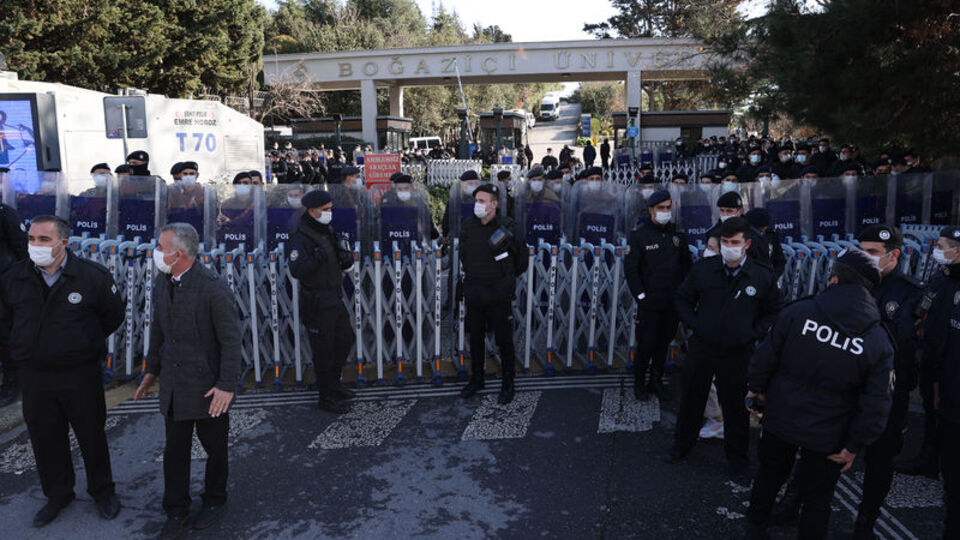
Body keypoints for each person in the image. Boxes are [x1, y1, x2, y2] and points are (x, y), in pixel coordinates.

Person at [744, 248, 894, 540]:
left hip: (781, 417)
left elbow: (765, 357)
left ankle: (754, 531)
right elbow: (876, 403)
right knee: (817, 501)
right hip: (830, 435)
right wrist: (854, 445)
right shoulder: (877, 340)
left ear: (834, 280)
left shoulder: (799, 312)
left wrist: (757, 390)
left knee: (768, 478)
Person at [0, 215, 123, 526]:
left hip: (79, 374)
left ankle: (102, 490)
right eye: (31, 239)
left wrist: (82, 344)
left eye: (44, 240)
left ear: (63, 243)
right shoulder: (14, 278)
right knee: (45, 437)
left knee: (91, 434)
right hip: (35, 374)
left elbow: (112, 315)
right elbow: (5, 323)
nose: (36, 246)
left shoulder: (90, 276)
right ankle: (58, 494)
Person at [134, 223, 242, 539]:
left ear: (177, 253)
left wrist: (226, 385)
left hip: (208, 386)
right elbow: (159, 329)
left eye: (159, 247)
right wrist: (151, 370)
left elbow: (231, 340)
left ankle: (215, 499)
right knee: (175, 451)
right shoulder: (163, 280)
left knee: (215, 449)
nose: (155, 252)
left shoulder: (212, 286)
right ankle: (176, 509)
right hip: (174, 384)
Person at [670, 217, 781, 476]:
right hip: (703, 346)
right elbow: (683, 298)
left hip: (738, 351)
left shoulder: (761, 275)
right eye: (725, 242)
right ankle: (681, 446)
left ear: (747, 244)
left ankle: (737, 460)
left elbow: (774, 311)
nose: (729, 247)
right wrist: (695, 325)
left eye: (735, 242)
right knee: (691, 400)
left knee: (735, 408)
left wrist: (752, 332)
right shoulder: (704, 269)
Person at [898, 227, 960, 479]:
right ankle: (928, 459)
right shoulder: (941, 276)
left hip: (951, 366)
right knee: (930, 410)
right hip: (930, 357)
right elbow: (923, 308)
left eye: (941, 246)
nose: (937, 251)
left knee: (947, 416)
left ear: (957, 251)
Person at [286, 190, 356, 414]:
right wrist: (318, 258)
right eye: (325, 209)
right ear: (312, 210)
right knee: (323, 350)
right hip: (317, 300)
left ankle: (334, 384)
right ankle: (326, 396)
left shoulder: (326, 230)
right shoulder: (301, 237)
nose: (329, 213)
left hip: (334, 295)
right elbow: (297, 270)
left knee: (345, 339)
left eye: (330, 208)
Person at [458, 183, 528, 405]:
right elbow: (464, 256)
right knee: (475, 337)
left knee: (504, 340)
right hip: (475, 291)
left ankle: (508, 383)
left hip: (498, 293)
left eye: (482, 201)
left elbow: (522, 261)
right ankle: (477, 378)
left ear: (494, 204)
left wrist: (504, 279)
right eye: (476, 201)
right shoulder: (469, 226)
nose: (477, 205)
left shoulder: (508, 227)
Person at [624, 189, 692, 401]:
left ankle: (656, 381)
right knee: (646, 344)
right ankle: (639, 384)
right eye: (660, 208)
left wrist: (684, 293)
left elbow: (686, 266)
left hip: (672, 302)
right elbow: (632, 269)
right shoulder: (639, 236)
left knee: (663, 344)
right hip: (650, 302)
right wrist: (641, 296)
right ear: (651, 210)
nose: (665, 212)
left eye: (668, 208)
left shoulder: (677, 235)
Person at [0, 199, 27, 406]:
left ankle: (12, 382)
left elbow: (20, 247)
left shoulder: (5, 213)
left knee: (6, 335)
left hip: (4, 282)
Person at [705, 192, 775, 271]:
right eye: (722, 210)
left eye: (729, 211)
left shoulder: (753, 234)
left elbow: (763, 265)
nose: (724, 214)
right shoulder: (712, 233)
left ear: (740, 211)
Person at [743, 208, 786, 278]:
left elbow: (780, 260)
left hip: (768, 278)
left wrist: (773, 277)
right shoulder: (746, 237)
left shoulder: (771, 235)